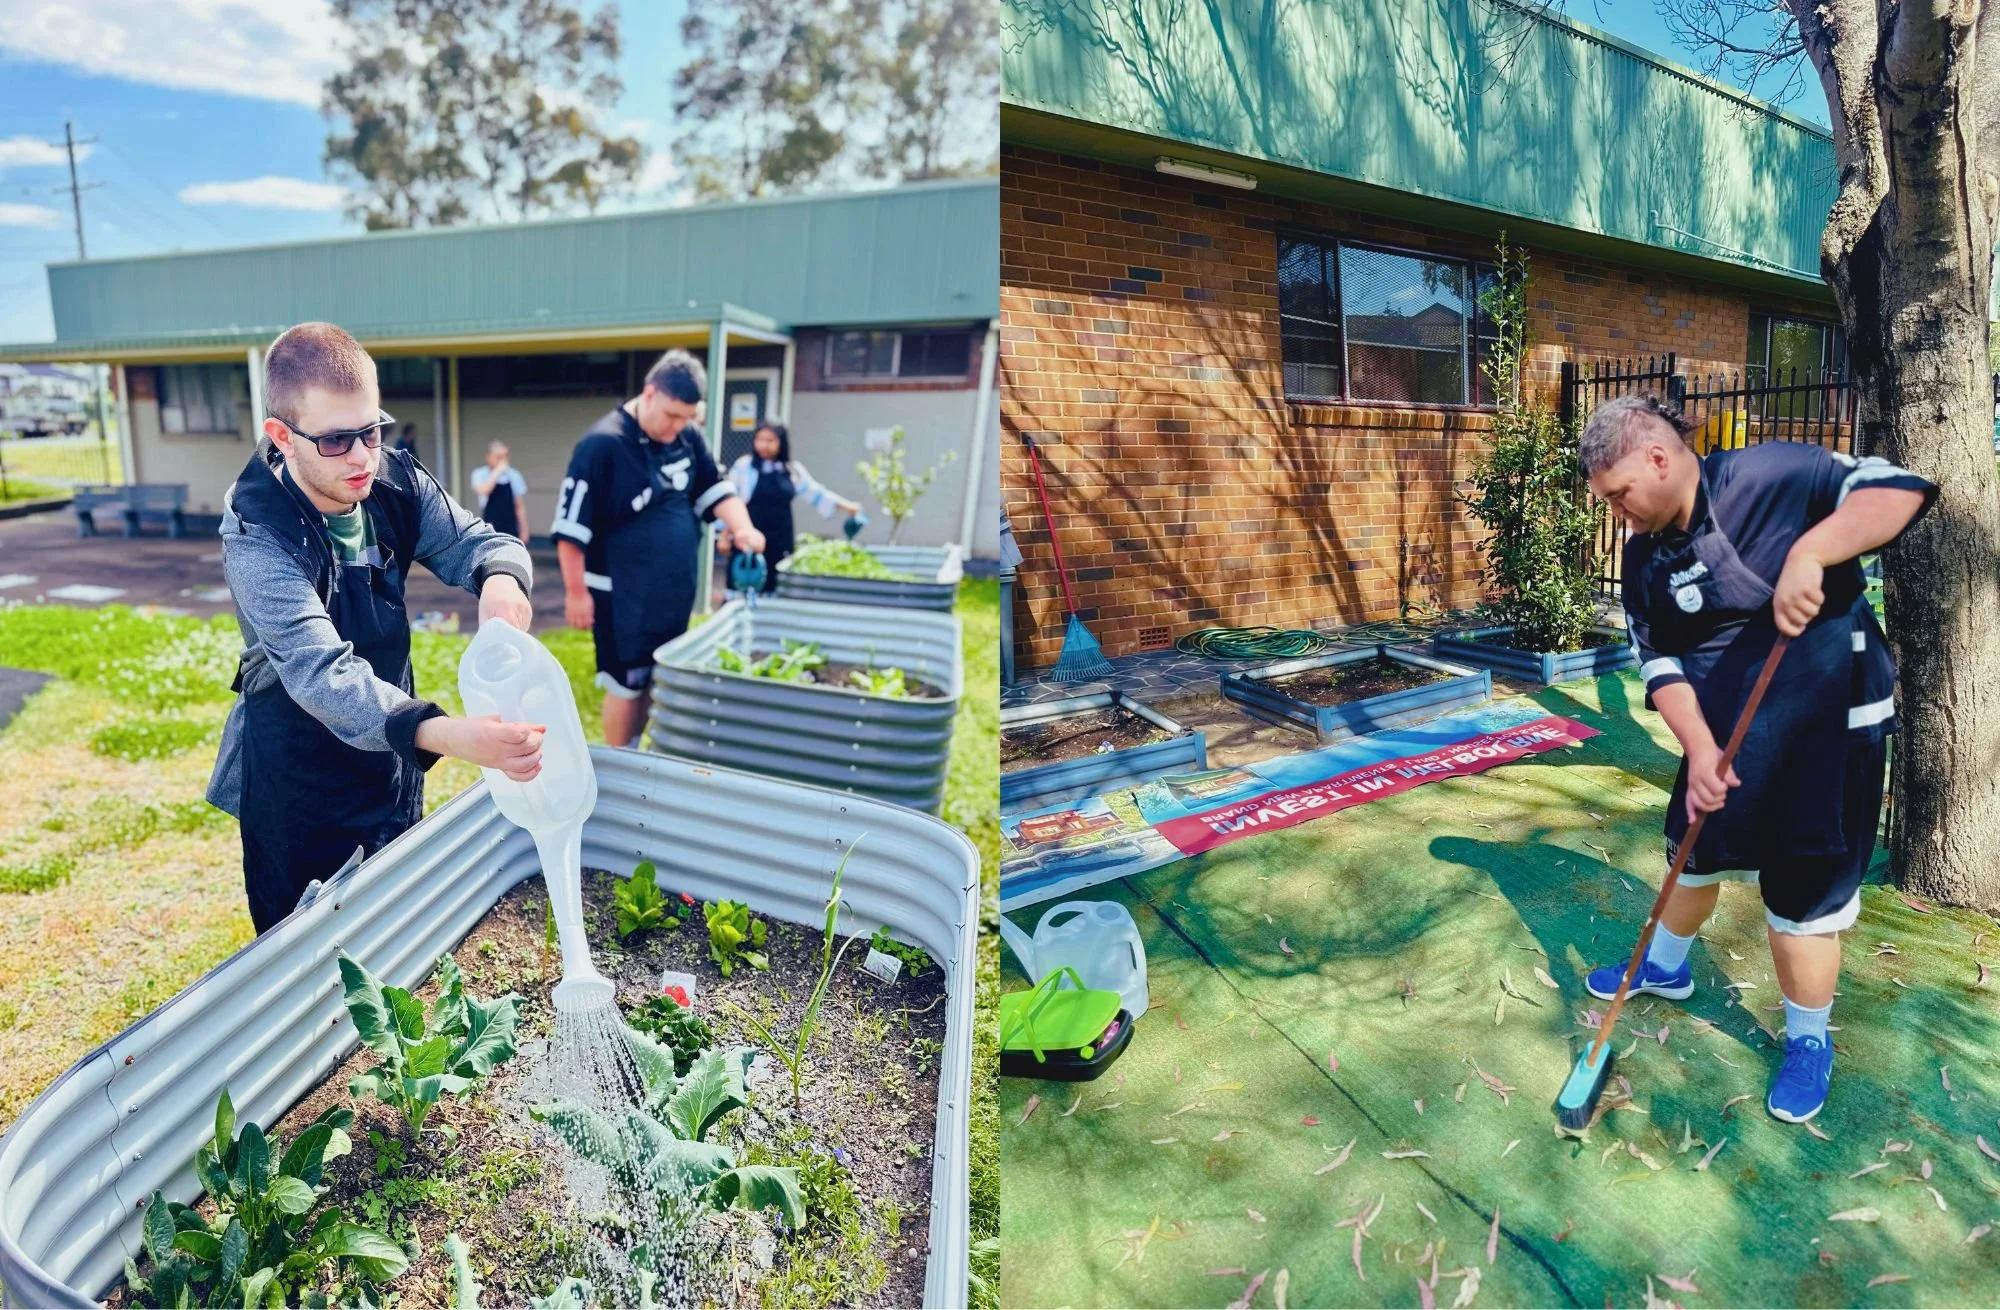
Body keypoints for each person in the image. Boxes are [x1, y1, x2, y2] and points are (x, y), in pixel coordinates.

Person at [1576, 392, 1934, 1125]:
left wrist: (1813, 551)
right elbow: (1662, 664)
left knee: (1800, 905)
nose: (1619, 513)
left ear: (1658, 456)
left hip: (1828, 730)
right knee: (1693, 852)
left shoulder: (1770, 475)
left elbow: (1901, 490)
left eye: (1619, 495)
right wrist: (1700, 749)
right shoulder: (1644, 556)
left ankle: (1807, 1042)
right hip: (1727, 735)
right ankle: (1667, 966)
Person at [206, 322, 545, 935]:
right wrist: (450, 734)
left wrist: (499, 582)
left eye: (371, 429)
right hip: (297, 781)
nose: (363, 456)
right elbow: (321, 674)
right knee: (306, 967)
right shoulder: (259, 534)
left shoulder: (396, 482)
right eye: (336, 440)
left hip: (390, 761)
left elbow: (479, 541)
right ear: (281, 437)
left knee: (394, 938)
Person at [550, 349, 765, 746]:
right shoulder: (602, 445)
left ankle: (638, 751)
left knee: (659, 674)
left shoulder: (687, 436)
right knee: (627, 682)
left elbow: (716, 489)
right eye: (671, 416)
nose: (677, 426)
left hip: (672, 591)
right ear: (650, 394)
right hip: (621, 594)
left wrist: (744, 528)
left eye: (687, 418)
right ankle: (620, 760)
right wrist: (576, 592)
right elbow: (570, 529)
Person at [722, 421, 864, 592]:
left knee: (775, 582)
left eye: (770, 440)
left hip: (780, 538)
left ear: (781, 443)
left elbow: (816, 493)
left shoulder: (792, 470)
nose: (764, 445)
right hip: (749, 537)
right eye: (760, 439)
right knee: (745, 579)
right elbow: (729, 501)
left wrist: (847, 507)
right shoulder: (744, 467)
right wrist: (724, 535)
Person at [470, 441, 528, 541]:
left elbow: (519, 505)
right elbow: (485, 490)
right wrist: (497, 472)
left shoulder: (514, 475)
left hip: (511, 527)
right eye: (498, 456)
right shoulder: (480, 473)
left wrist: (524, 530)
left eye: (504, 456)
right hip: (490, 526)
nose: (502, 460)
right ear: (489, 457)